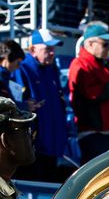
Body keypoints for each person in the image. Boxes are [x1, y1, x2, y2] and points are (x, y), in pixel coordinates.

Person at [12, 30, 68, 183]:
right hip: (34, 146)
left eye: (53, 49)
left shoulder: (52, 70)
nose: (51, 53)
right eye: (47, 49)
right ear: (32, 50)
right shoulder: (23, 68)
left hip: (52, 144)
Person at [67, 23, 109, 163]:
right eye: (105, 44)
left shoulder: (106, 66)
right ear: (90, 43)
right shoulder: (80, 65)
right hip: (93, 133)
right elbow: (92, 93)